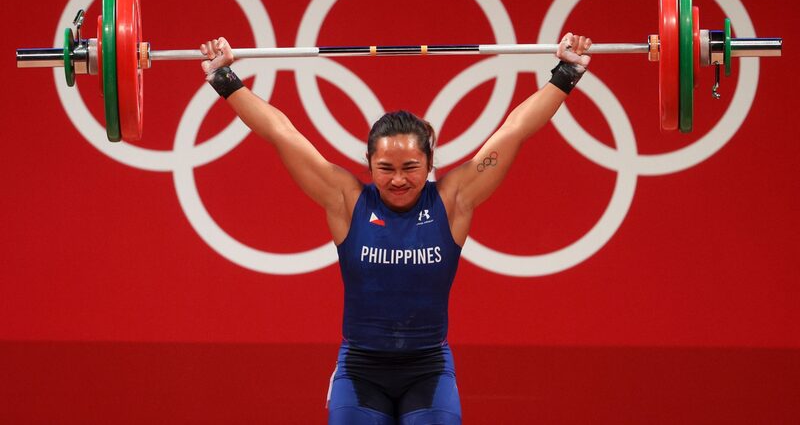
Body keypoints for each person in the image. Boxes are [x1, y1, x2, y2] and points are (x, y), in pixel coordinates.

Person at [200, 33, 592, 425]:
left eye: (410, 168)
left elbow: (515, 130)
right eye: (385, 168)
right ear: (369, 164)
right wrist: (225, 80)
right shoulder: (347, 202)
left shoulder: (453, 201)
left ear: (430, 163)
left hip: (428, 370)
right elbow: (281, 132)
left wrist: (566, 73)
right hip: (360, 371)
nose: (398, 180)